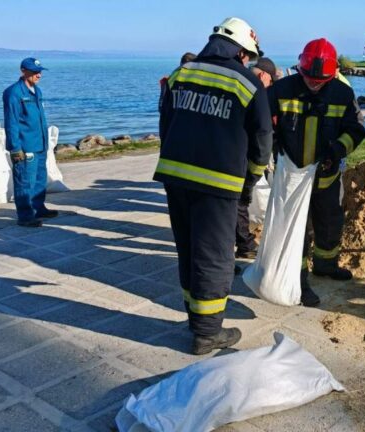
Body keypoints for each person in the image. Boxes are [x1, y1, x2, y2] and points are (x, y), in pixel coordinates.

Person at [154, 17, 272, 355]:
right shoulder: (248, 83)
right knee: (215, 256)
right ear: (240, 51)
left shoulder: (180, 75)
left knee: (189, 248)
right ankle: (206, 334)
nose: (248, 61)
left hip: (175, 178)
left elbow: (166, 125)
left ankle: (195, 316)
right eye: (248, 55)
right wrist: (249, 179)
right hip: (219, 184)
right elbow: (262, 139)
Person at [269, 38, 365, 307]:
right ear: (300, 70)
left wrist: (336, 150)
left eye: (319, 80)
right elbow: (262, 122)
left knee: (330, 223)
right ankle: (298, 281)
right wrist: (275, 144)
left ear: (332, 74)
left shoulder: (343, 94)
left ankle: (326, 265)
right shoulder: (281, 89)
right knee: (296, 231)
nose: (313, 83)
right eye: (309, 78)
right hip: (292, 178)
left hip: (327, 175)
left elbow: (356, 129)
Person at [3, 58, 58, 228]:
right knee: (25, 181)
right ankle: (25, 216)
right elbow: (11, 122)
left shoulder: (37, 91)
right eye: (34, 72)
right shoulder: (13, 93)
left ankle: (38, 208)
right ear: (23, 71)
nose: (38, 75)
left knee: (40, 179)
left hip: (40, 143)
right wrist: (15, 147)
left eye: (39, 71)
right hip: (25, 146)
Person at [235, 57, 278, 259]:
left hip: (233, 153)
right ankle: (245, 242)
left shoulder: (240, 85)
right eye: (271, 81)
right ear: (263, 75)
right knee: (242, 200)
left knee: (239, 202)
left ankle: (245, 239)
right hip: (248, 155)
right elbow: (263, 133)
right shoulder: (259, 93)